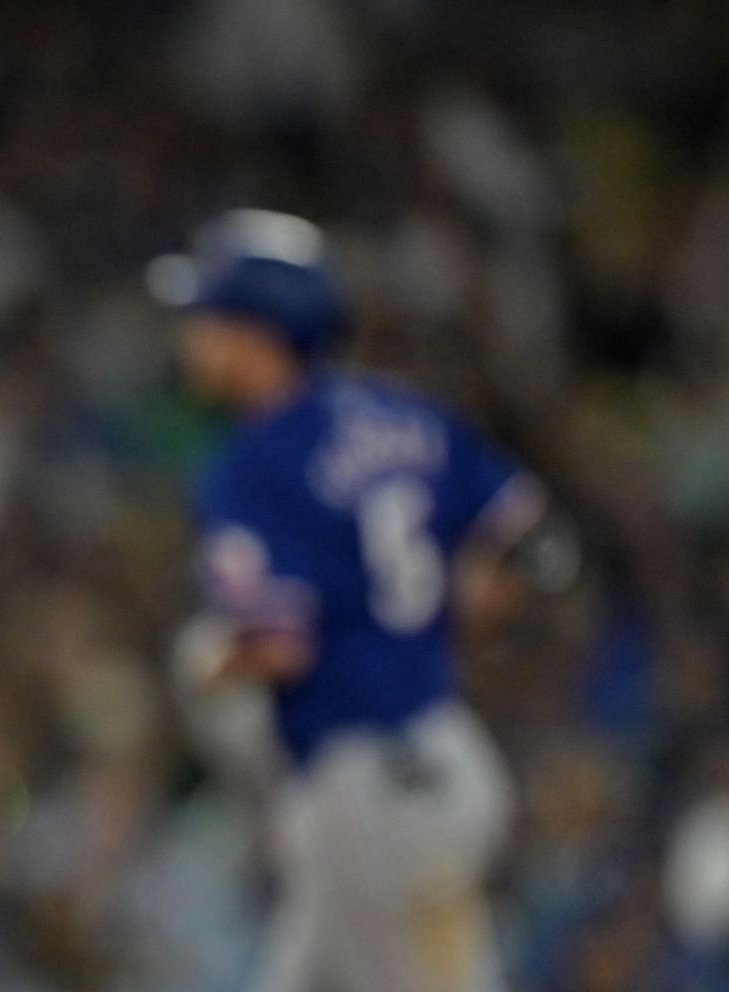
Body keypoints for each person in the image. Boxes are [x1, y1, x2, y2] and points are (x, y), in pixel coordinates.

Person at [151, 209, 563, 992]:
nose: (190, 336)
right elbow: (543, 547)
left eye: (207, 316)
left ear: (257, 332)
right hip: (451, 754)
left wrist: (205, 663)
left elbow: (280, 645)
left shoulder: (251, 467)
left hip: (362, 790)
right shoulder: (409, 415)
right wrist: (451, 613)